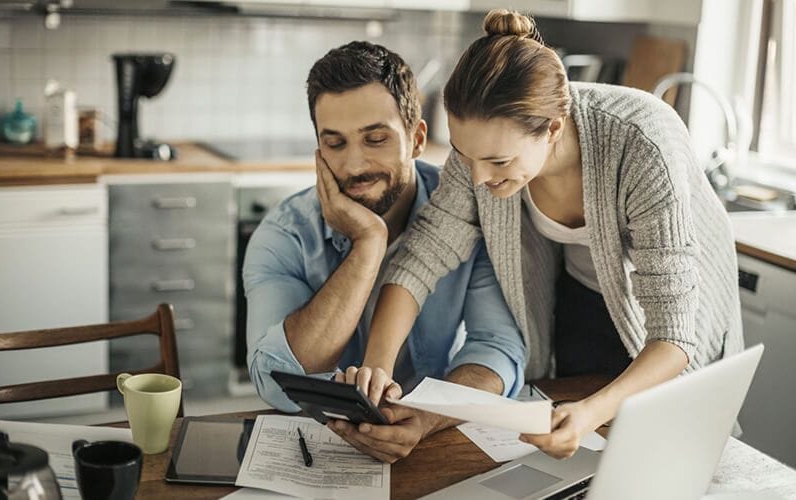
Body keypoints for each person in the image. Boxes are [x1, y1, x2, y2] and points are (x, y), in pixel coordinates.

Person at [355, 9, 744, 459]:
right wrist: (377, 368)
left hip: (671, 324)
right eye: (465, 155)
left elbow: (674, 336)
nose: (478, 178)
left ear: (553, 129)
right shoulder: (482, 151)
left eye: (498, 162)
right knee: (585, 462)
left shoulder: (642, 143)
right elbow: (424, 254)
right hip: (582, 300)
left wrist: (589, 412)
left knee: (667, 454)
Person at [242, 40, 526, 463]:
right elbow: (275, 380)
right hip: (325, 450)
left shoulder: (470, 216)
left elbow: (497, 350)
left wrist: (427, 416)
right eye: (335, 144)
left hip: (436, 438)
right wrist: (368, 244)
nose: (355, 165)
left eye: (375, 139)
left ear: (416, 139)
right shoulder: (285, 235)